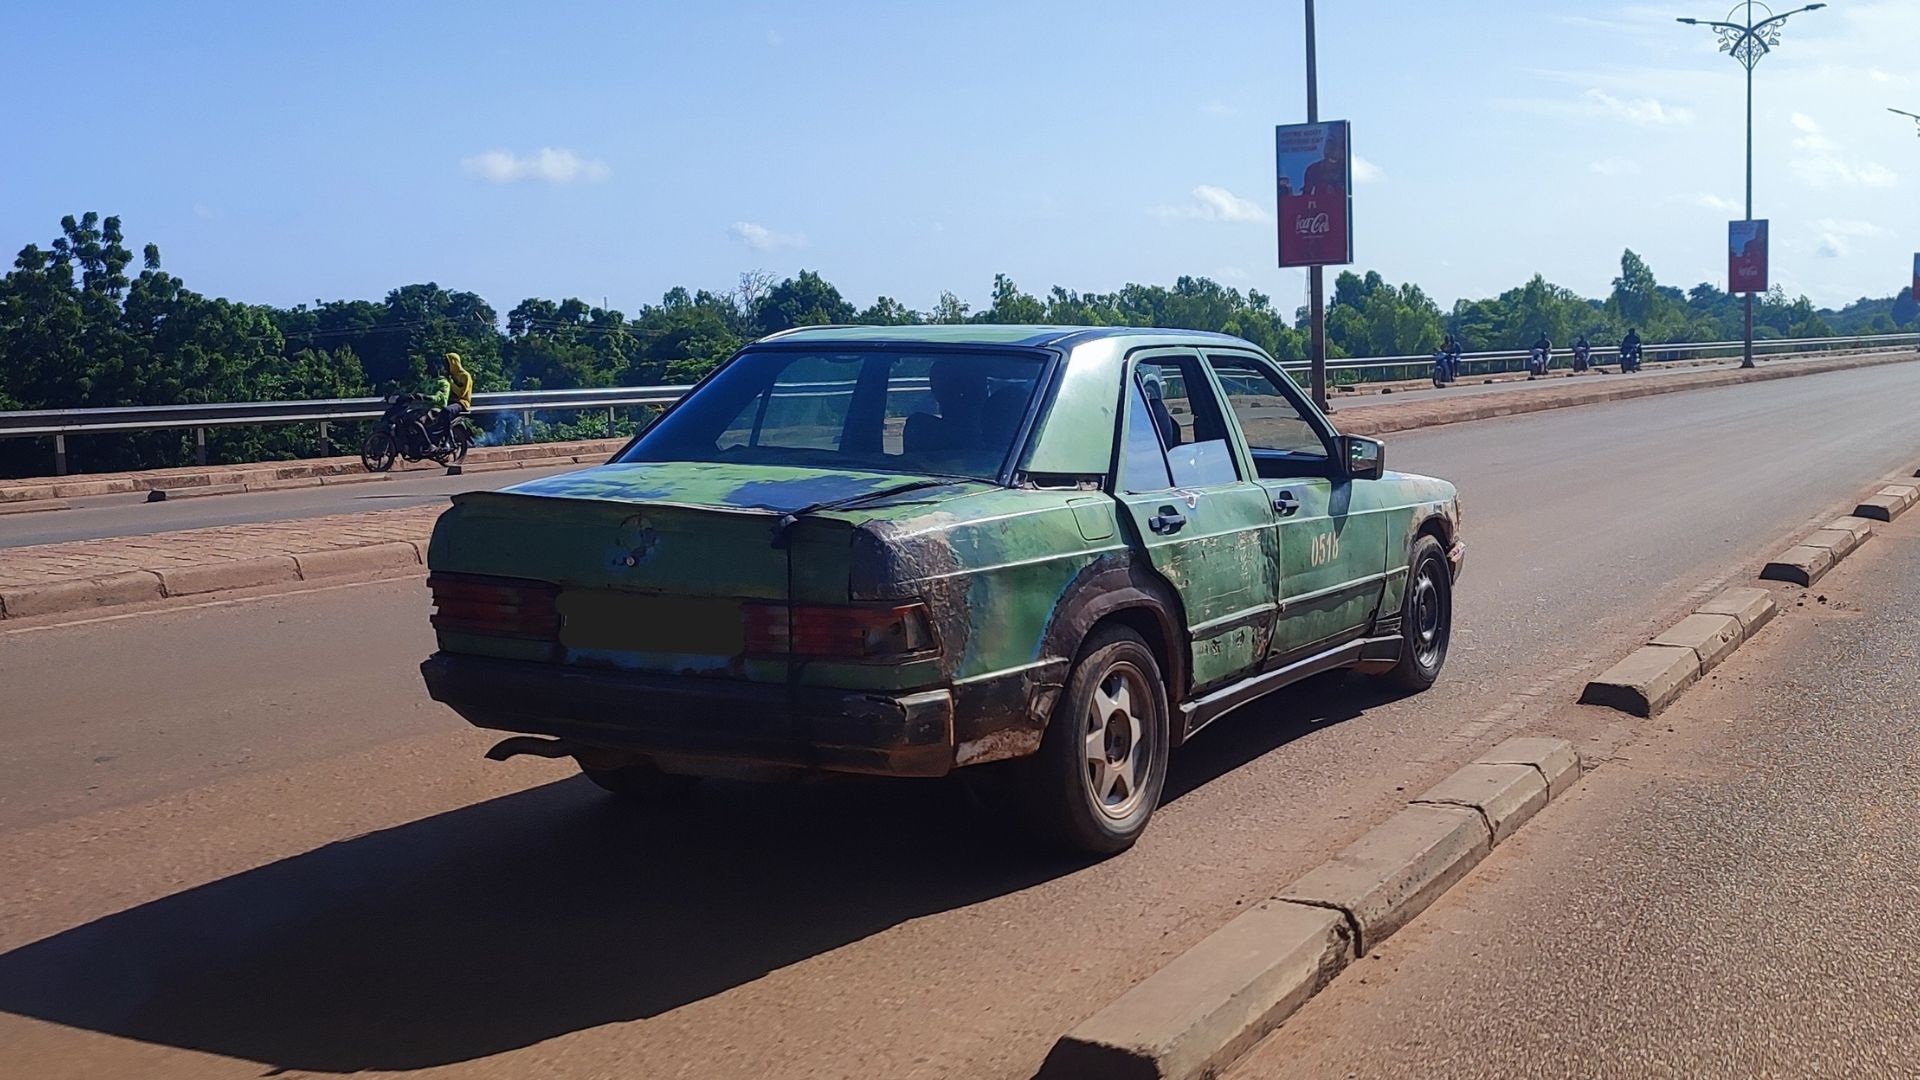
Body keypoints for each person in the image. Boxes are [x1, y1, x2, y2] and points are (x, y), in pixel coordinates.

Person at [1302, 124, 1348, 195]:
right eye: (1331, 142)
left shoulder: (1345, 174)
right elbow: (1303, 201)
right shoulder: (1312, 170)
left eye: (1341, 147)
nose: (1335, 152)